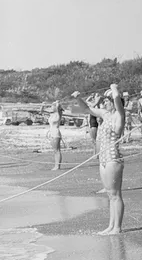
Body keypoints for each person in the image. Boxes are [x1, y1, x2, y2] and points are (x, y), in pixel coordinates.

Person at [71, 84, 126, 235]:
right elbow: (86, 110)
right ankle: (111, 226)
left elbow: (118, 102)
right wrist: (78, 98)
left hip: (113, 159)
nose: (105, 103)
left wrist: (114, 88)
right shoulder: (104, 115)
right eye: (105, 101)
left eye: (108, 101)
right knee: (110, 195)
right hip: (103, 158)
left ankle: (117, 228)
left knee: (116, 195)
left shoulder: (118, 115)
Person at [48, 100, 64, 171]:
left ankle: (58, 166)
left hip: (56, 133)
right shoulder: (52, 114)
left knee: (57, 150)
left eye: (52, 106)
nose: (51, 107)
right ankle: (56, 165)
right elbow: (41, 111)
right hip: (51, 133)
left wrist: (57, 103)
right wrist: (42, 105)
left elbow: (58, 107)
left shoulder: (58, 114)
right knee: (55, 151)